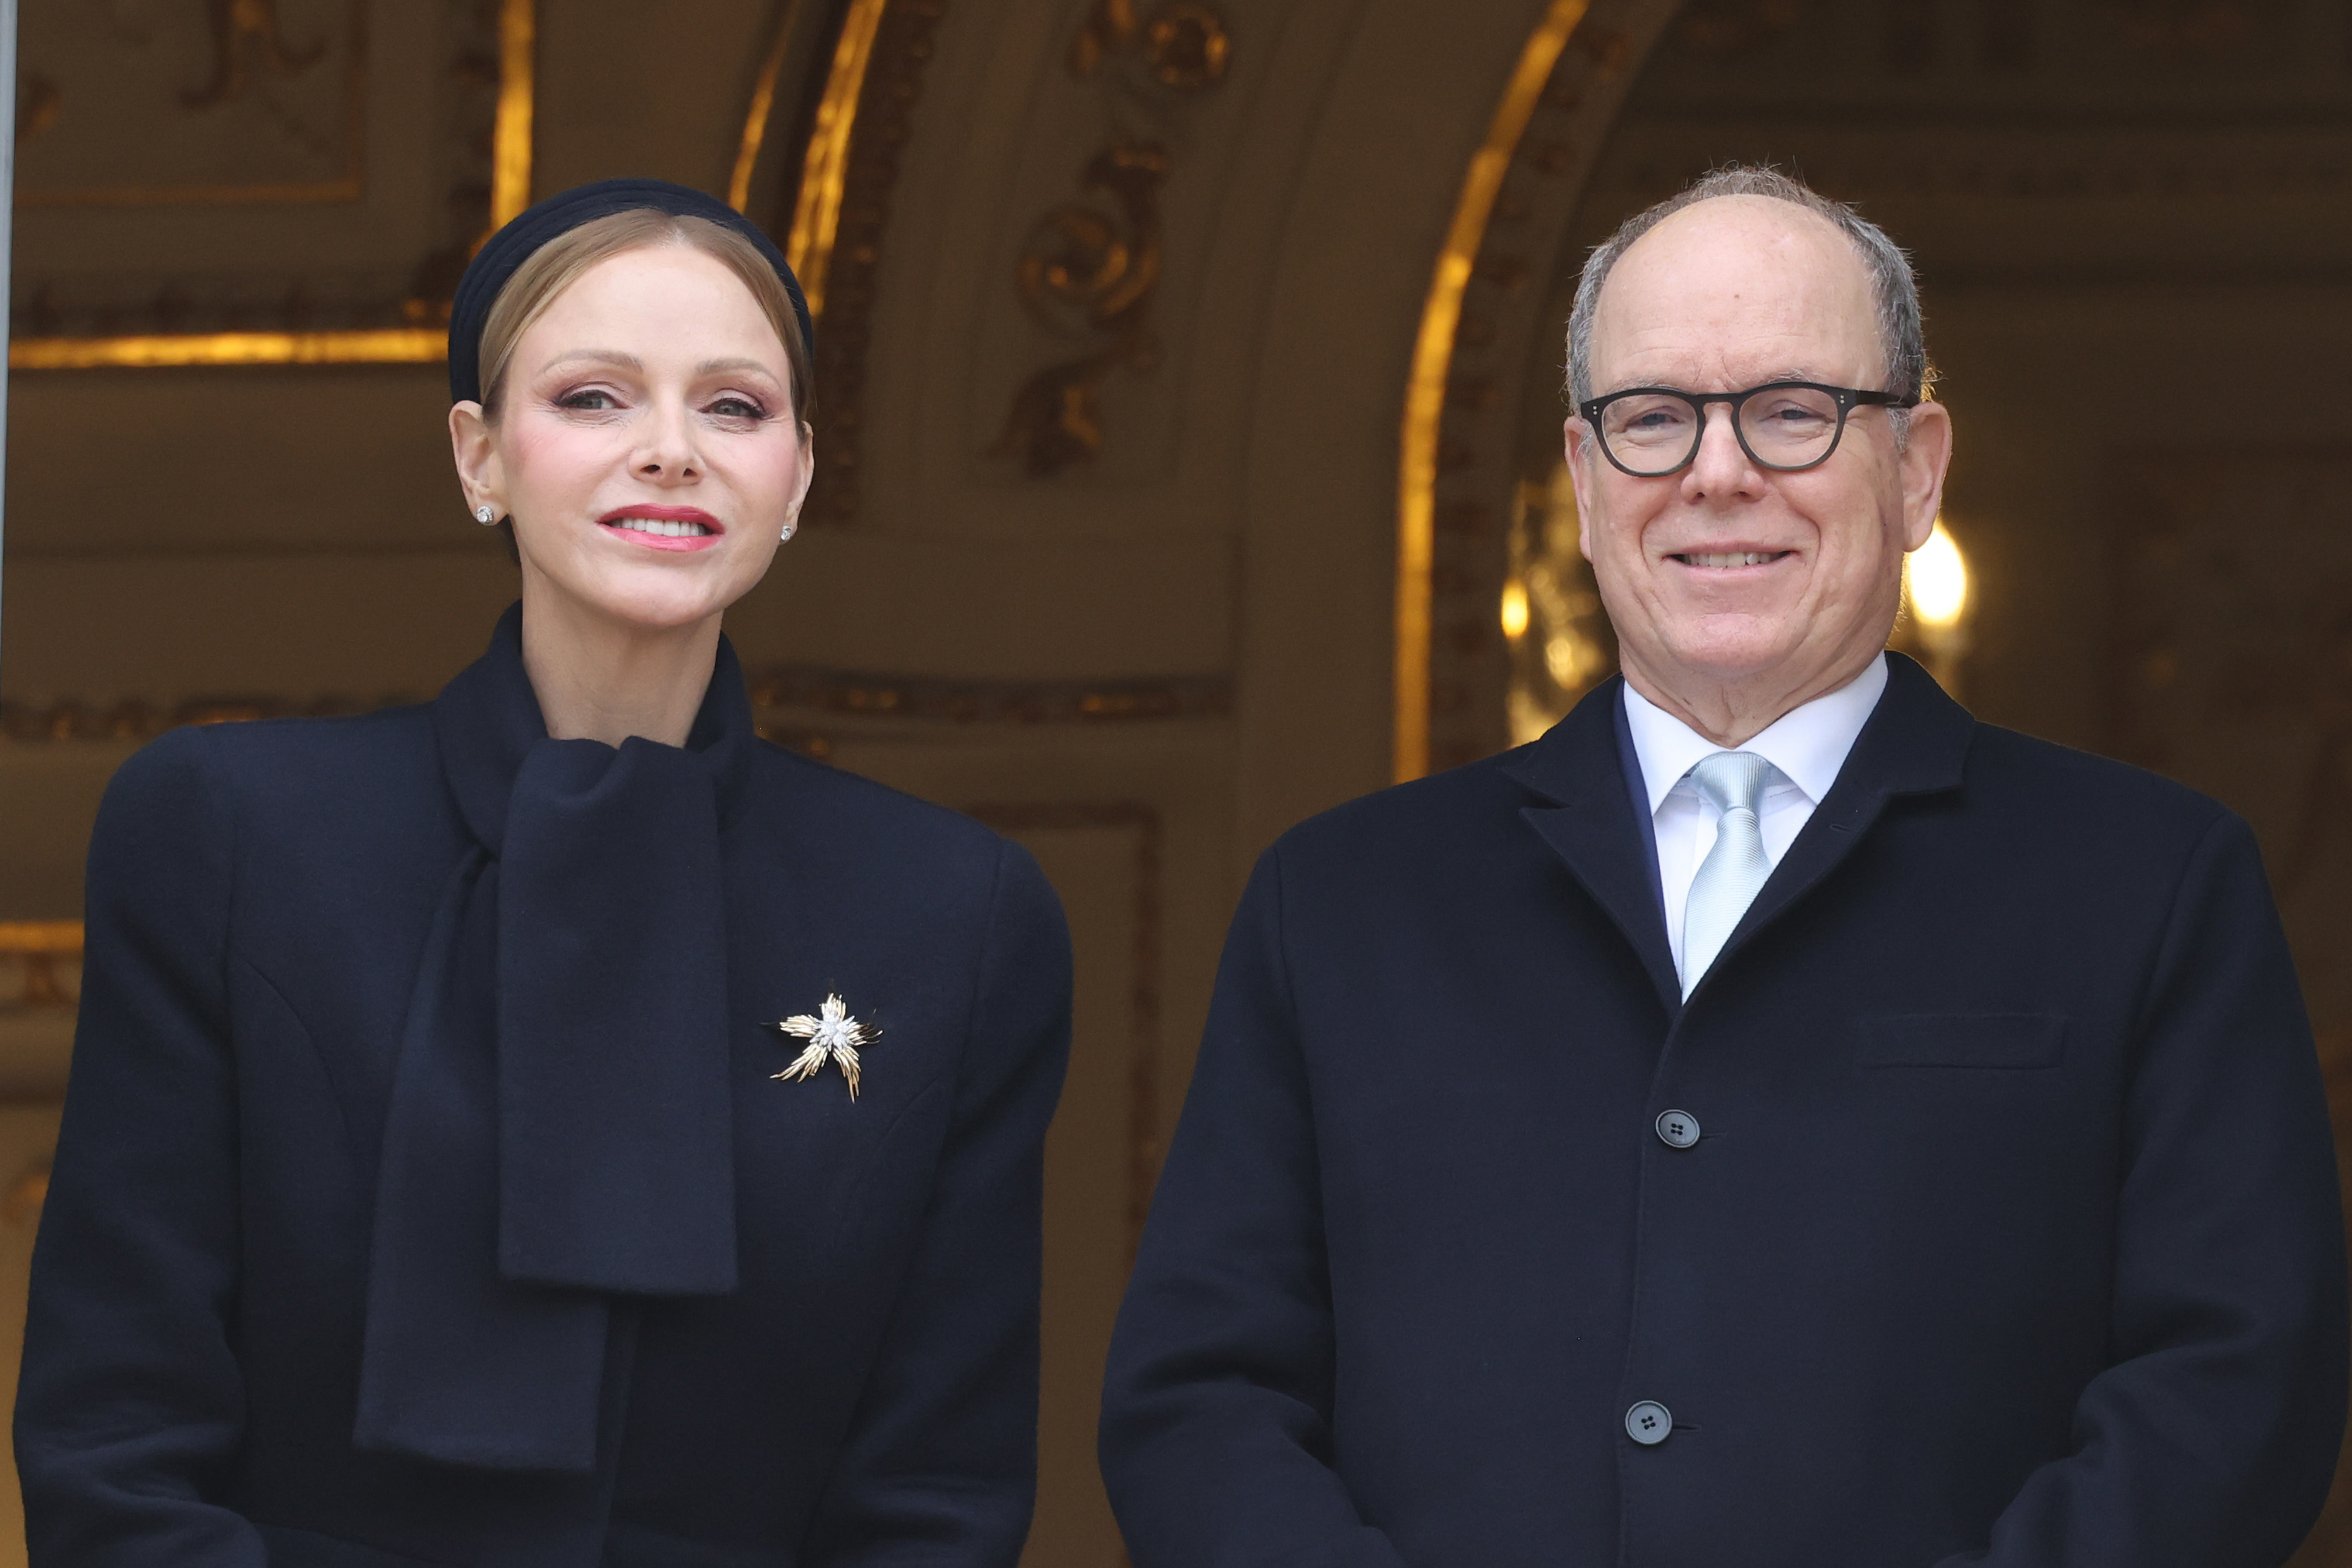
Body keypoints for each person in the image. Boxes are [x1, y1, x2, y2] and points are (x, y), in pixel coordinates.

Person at [1098, 166, 2347, 1567]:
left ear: (1916, 468)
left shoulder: (2150, 883)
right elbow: (1200, 1400)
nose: (1715, 472)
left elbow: (2236, 1387)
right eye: (1651, 418)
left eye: (1792, 411)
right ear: (1583, 481)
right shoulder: (1339, 902)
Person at [16, 179, 1072, 1567]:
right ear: (480, 457)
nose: (671, 452)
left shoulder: (951, 913)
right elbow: (113, 1452)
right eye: (592, 398)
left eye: (734, 407)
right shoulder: (231, 833)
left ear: (801, 476)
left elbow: (938, 1499)